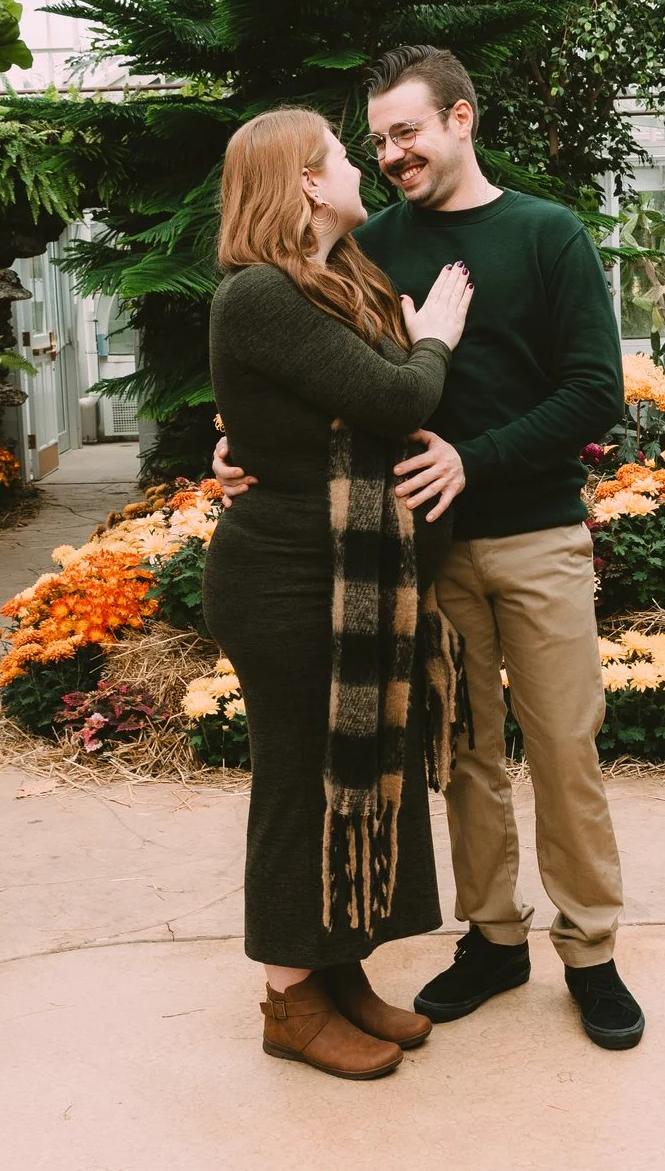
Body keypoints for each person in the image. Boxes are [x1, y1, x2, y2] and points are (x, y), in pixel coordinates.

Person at [217, 44, 643, 1050]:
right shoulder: (375, 246)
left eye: (406, 131)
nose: (392, 154)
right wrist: (238, 444)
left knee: (563, 745)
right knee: (460, 755)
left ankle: (592, 950)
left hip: (533, 532)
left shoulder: (548, 234)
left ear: (461, 119)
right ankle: (492, 936)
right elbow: (319, 369)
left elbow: (594, 391)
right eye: (374, 140)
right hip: (419, 551)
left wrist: (472, 459)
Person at [201, 106, 476, 1081]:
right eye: (344, 155)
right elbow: (397, 396)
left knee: (356, 778)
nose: (362, 166)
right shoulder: (260, 296)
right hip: (284, 584)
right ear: (308, 183)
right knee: (298, 784)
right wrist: (435, 336)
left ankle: (337, 969)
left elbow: (335, 406)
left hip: (347, 577)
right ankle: (287, 998)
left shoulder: (337, 280)